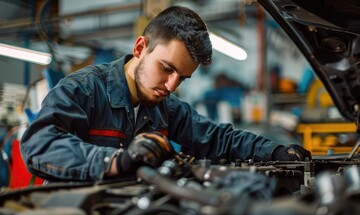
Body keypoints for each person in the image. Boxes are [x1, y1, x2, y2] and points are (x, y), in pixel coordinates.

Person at [20, 6, 311, 182]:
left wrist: (274, 151)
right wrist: (114, 161)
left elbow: (218, 138)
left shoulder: (165, 107)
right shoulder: (83, 89)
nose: (171, 86)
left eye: (182, 78)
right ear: (139, 49)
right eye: (166, 68)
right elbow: (39, 144)